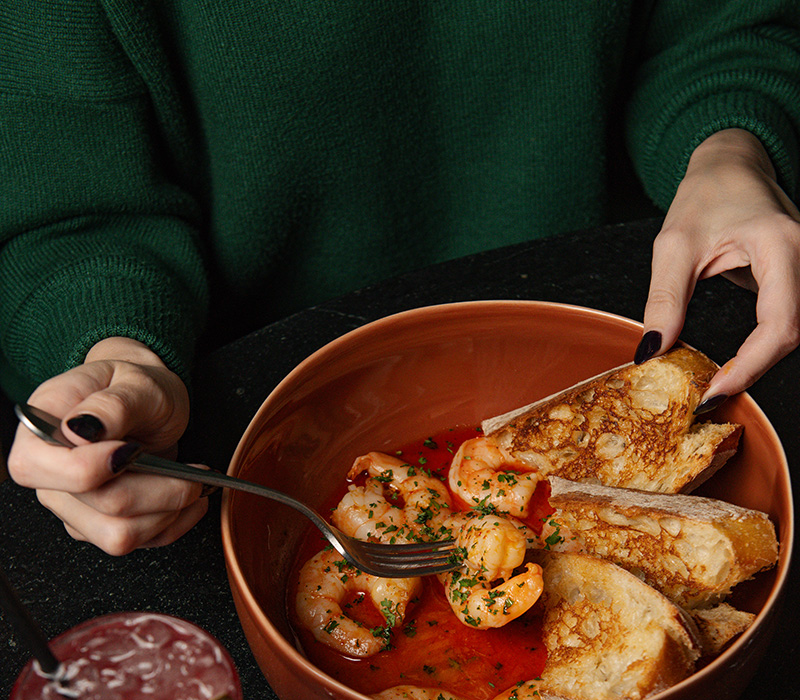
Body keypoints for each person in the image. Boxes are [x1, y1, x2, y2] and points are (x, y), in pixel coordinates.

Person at [3, 2, 799, 555]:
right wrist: (122, 361)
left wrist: (730, 150)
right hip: (245, 433)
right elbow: (70, 202)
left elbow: (721, 28)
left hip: (613, 315)